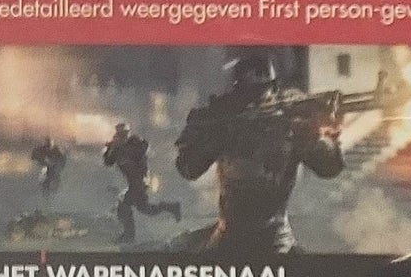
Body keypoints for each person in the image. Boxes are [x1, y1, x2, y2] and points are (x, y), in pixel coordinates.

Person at [173, 50, 346, 254]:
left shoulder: (289, 117)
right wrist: (215, 138)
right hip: (228, 236)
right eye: (247, 94)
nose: (255, 102)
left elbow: (330, 167)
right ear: (237, 91)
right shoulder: (225, 118)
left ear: (273, 88)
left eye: (260, 93)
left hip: (277, 238)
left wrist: (314, 138)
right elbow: (188, 168)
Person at [102, 122, 180, 242]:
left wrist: (119, 146)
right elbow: (108, 162)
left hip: (140, 181)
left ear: (128, 133)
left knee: (124, 208)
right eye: (120, 134)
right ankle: (171, 207)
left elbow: (139, 152)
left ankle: (129, 236)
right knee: (145, 209)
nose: (122, 136)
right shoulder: (118, 147)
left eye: (124, 134)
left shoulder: (136, 143)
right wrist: (110, 148)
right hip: (133, 182)